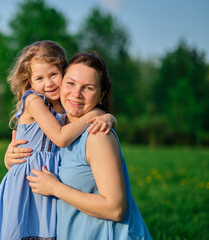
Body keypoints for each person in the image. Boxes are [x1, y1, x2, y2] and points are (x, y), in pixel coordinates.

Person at [0, 41, 116, 240]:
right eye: (39, 78)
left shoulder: (65, 105)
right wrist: (96, 112)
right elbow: (60, 138)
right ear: (31, 82)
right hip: (28, 183)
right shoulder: (34, 101)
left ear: (64, 72)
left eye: (53, 75)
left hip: (48, 182)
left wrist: (109, 117)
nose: (48, 83)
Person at [10, 52, 151, 239]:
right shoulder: (58, 131)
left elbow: (115, 209)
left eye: (89, 88)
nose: (76, 94)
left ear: (101, 94)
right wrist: (11, 160)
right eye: (70, 83)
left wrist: (56, 188)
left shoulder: (97, 135)